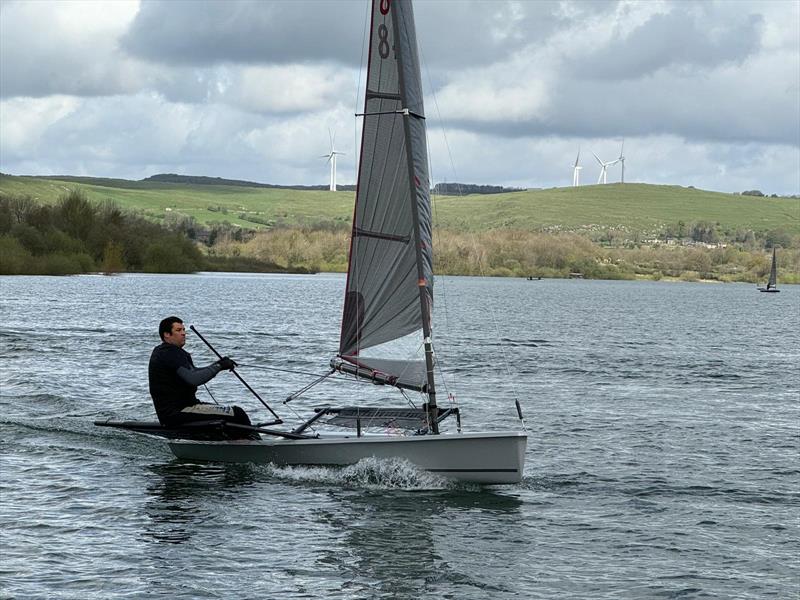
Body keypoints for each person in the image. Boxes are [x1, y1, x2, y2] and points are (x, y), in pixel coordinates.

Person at [148, 316, 255, 438]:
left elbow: (194, 372)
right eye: (178, 330)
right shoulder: (170, 352)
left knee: (231, 417)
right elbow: (194, 379)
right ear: (166, 334)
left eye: (184, 330)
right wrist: (219, 366)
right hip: (179, 411)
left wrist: (218, 364)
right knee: (237, 414)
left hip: (177, 411)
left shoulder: (164, 352)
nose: (183, 333)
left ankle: (238, 442)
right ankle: (254, 446)